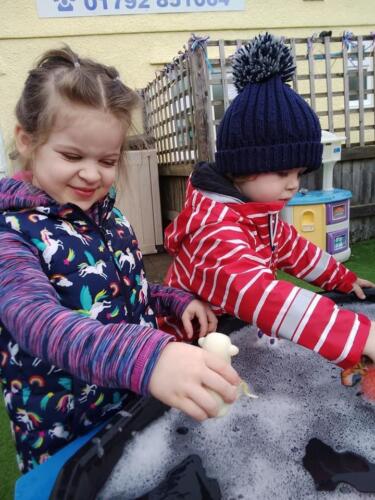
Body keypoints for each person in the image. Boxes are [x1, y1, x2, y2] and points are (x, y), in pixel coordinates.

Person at [0, 46, 241, 473]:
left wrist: (175, 301)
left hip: (131, 407)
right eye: (72, 156)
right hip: (67, 435)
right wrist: (148, 357)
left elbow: (130, 288)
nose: (92, 174)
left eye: (107, 161)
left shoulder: (108, 216)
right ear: (26, 140)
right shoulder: (11, 234)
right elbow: (34, 319)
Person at [163, 33, 375, 370]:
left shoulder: (257, 211)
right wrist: (361, 337)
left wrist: (342, 279)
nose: (293, 184)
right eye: (282, 172)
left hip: (232, 333)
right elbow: (259, 295)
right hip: (189, 347)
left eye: (300, 172)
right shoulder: (214, 227)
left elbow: (292, 248)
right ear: (243, 167)